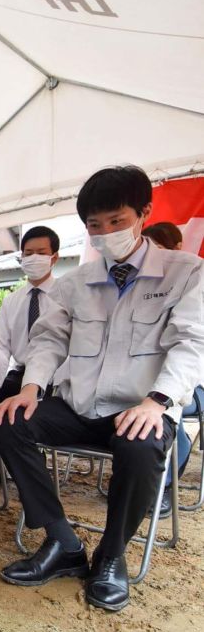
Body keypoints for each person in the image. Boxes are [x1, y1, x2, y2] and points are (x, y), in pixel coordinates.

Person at [0, 165, 204, 612]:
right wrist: (31, 387)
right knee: (10, 421)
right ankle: (62, 542)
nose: (105, 233)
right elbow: (49, 339)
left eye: (116, 221)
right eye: (94, 225)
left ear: (143, 213)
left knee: (142, 444)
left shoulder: (185, 273)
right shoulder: (75, 283)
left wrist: (159, 402)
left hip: (140, 406)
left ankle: (111, 554)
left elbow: (193, 342)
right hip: (79, 404)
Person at [0, 225, 60, 490]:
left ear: (54, 257)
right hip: (20, 372)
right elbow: (0, 345)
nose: (33, 259)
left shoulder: (67, 294)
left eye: (41, 252)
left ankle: (33, 455)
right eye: (28, 253)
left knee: (28, 401)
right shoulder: (13, 300)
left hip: (58, 373)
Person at [142, 219, 197, 513]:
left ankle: (163, 486)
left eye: (161, 250)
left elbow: (192, 347)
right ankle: (139, 477)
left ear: (178, 248)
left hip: (191, 381)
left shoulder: (194, 279)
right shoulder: (144, 286)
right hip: (148, 378)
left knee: (169, 418)